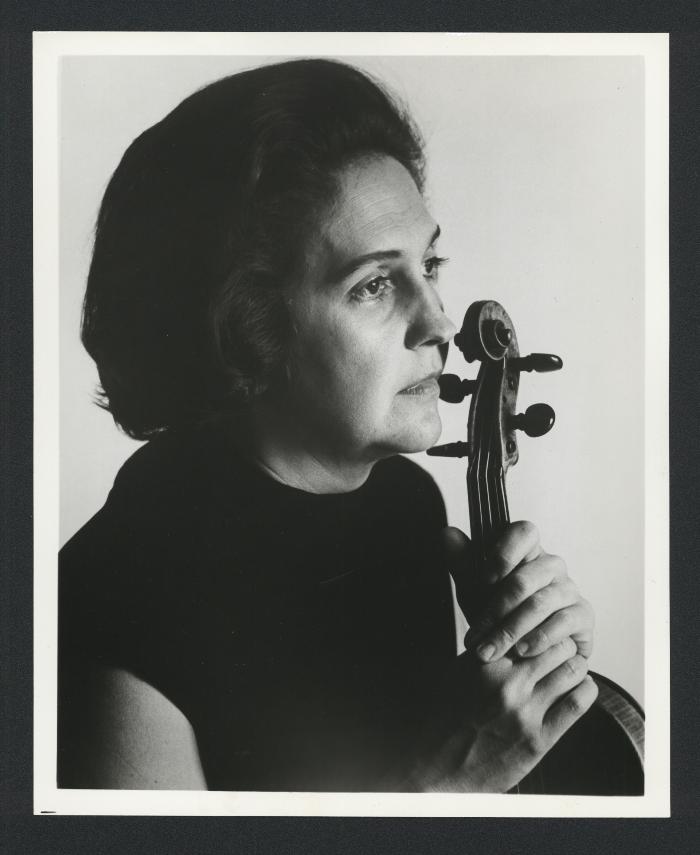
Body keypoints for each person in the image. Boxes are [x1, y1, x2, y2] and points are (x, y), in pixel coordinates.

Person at [58, 58, 596, 792]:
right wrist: (441, 792)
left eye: (429, 263)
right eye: (374, 284)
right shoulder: (114, 607)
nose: (439, 321)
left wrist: (533, 669)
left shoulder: (405, 504)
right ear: (248, 330)